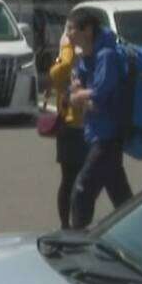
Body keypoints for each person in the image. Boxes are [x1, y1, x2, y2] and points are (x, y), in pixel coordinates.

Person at [66, 8, 132, 230]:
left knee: (82, 190)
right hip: (96, 134)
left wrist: (79, 96)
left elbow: (101, 93)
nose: (69, 34)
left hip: (108, 136)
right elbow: (77, 89)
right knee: (122, 197)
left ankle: (77, 239)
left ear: (88, 30)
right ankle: (138, 231)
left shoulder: (107, 56)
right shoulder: (87, 56)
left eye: (72, 29)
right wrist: (78, 92)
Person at [47, 28, 86, 230]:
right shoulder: (67, 49)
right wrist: (69, 48)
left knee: (86, 180)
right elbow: (58, 73)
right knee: (70, 178)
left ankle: (79, 224)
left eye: (74, 29)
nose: (71, 33)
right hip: (70, 124)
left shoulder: (93, 51)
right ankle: (66, 225)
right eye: (69, 29)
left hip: (87, 125)